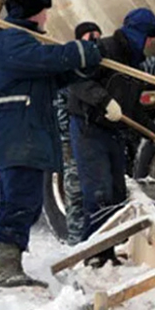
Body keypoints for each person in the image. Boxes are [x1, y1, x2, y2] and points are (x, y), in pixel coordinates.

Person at [0, 0, 102, 288]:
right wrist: (81, 51)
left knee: (24, 200)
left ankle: (10, 265)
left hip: (23, 133)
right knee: (19, 200)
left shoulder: (21, 42)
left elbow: (50, 74)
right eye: (44, 12)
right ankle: (7, 269)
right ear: (32, 12)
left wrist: (84, 65)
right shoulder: (12, 40)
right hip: (16, 134)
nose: (47, 18)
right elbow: (46, 60)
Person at [66, 8, 155, 266]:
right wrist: (104, 101)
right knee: (98, 191)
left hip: (112, 131)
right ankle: (94, 253)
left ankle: (105, 252)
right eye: (149, 37)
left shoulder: (133, 64)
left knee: (116, 193)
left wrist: (154, 132)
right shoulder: (102, 50)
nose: (150, 43)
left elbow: (133, 108)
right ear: (138, 34)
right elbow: (77, 81)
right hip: (88, 127)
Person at [54, 21, 103, 244]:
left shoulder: (96, 61)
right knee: (75, 192)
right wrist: (66, 137)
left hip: (90, 137)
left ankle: (92, 239)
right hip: (72, 139)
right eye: (90, 36)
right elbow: (60, 105)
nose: (95, 39)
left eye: (98, 35)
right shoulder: (70, 65)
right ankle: (76, 240)